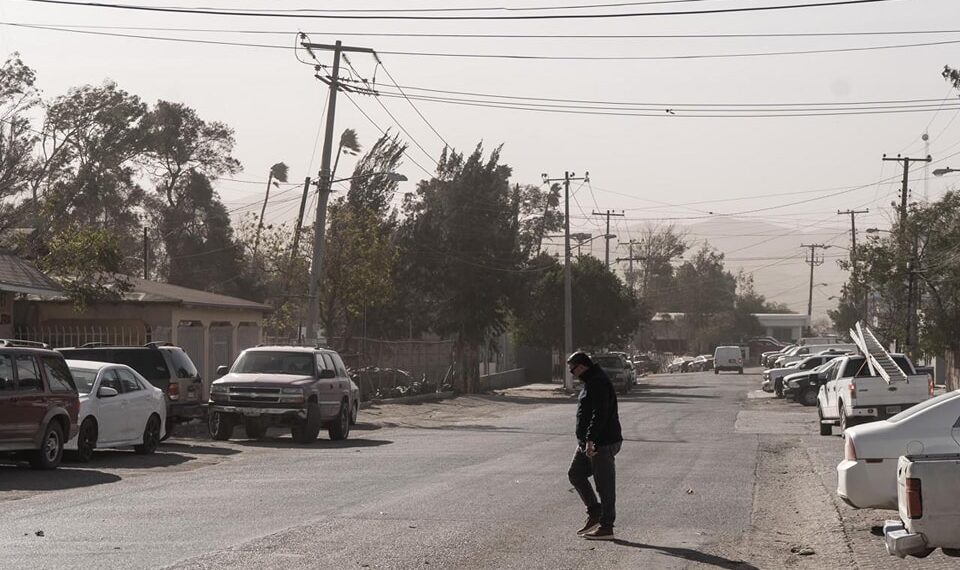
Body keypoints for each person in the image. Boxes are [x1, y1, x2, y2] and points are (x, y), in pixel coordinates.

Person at [566, 351, 623, 541]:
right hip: (589, 442)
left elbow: (600, 413)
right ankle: (595, 511)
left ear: (582, 366)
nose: (573, 374)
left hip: (601, 442)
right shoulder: (591, 381)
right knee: (575, 473)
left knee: (604, 485)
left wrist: (591, 440)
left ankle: (607, 527)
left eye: (573, 370)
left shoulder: (598, 381)